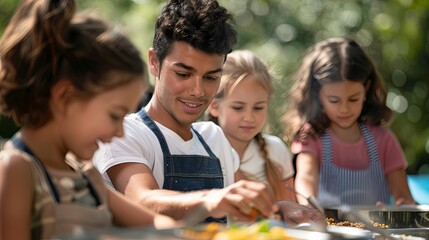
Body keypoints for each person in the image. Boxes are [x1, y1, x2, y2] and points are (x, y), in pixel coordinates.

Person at [93, 0, 323, 226]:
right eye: (183, 74)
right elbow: (143, 199)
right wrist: (211, 199)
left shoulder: (215, 139)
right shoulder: (123, 134)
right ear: (154, 62)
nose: (197, 91)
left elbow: (248, 203)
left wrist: (282, 208)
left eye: (211, 77)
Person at [0, 0, 188, 239]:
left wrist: (207, 209)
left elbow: (158, 224)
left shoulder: (87, 175)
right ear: (65, 96)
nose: (121, 132)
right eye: (114, 115)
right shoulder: (17, 170)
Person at [282, 37, 417, 207]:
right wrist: (310, 209)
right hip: (326, 231)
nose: (344, 109)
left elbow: (404, 197)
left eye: (353, 99)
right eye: (334, 100)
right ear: (318, 95)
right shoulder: (311, 136)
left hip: (376, 232)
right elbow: (306, 178)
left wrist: (399, 209)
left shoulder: (384, 140)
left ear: (366, 88)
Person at [207, 50, 296, 202]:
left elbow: (290, 211)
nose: (249, 117)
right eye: (238, 107)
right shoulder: (201, 149)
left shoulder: (276, 149)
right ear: (214, 106)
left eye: (258, 108)